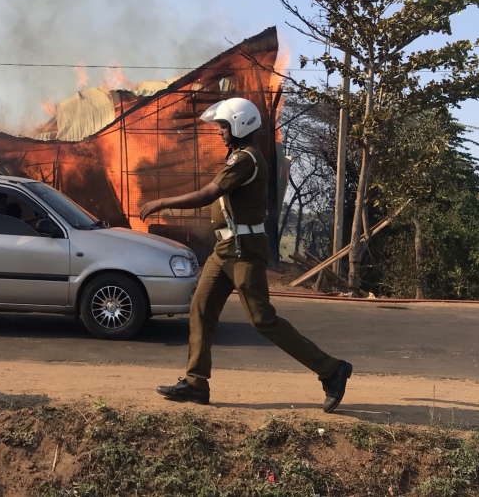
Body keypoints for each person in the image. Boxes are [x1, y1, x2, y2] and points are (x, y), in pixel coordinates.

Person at [139, 97, 352, 412]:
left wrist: (161, 202)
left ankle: (332, 370)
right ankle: (196, 383)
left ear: (239, 125)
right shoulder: (239, 157)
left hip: (244, 251)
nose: (219, 132)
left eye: (224, 126)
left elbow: (208, 194)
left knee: (262, 319)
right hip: (225, 249)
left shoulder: (246, 160)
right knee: (200, 308)